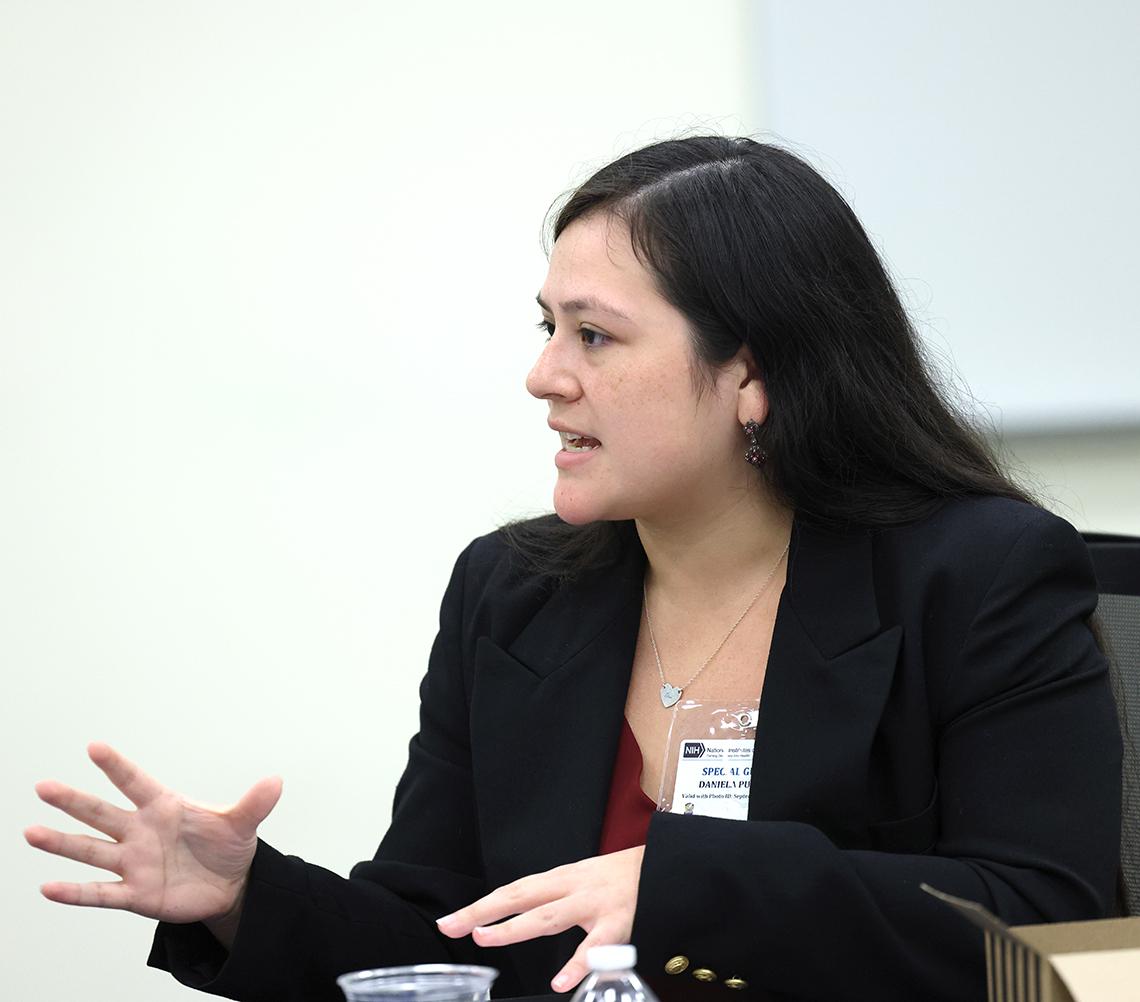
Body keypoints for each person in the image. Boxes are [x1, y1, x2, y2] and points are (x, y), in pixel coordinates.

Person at [26, 136, 1122, 1002]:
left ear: (754, 372)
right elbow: (447, 938)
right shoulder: (515, 594)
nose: (543, 376)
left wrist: (681, 888)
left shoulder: (978, 574)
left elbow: (1061, 945)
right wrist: (244, 899)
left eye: (594, 336)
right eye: (547, 327)